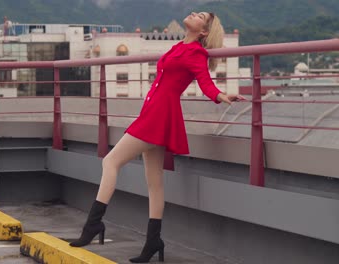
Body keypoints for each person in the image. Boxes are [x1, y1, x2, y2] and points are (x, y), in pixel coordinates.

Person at [69, 11, 246, 263]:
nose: (194, 13)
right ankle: (153, 242)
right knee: (154, 182)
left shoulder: (196, 52)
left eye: (200, 16)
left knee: (110, 162)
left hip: (159, 117)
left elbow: (205, 83)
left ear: (203, 31)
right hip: (153, 112)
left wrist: (222, 96)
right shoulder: (178, 46)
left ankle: (92, 226)